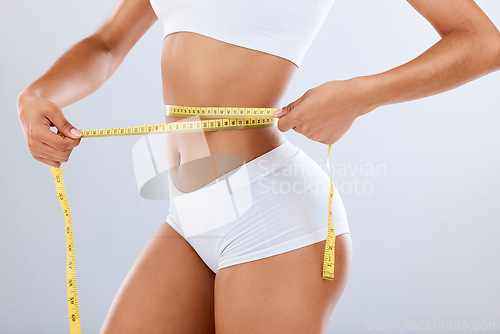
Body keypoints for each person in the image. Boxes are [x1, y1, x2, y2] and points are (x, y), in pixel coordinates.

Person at [16, 0, 499, 333]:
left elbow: (482, 41)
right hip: (189, 216)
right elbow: (106, 43)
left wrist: (359, 96)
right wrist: (37, 95)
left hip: (272, 218)